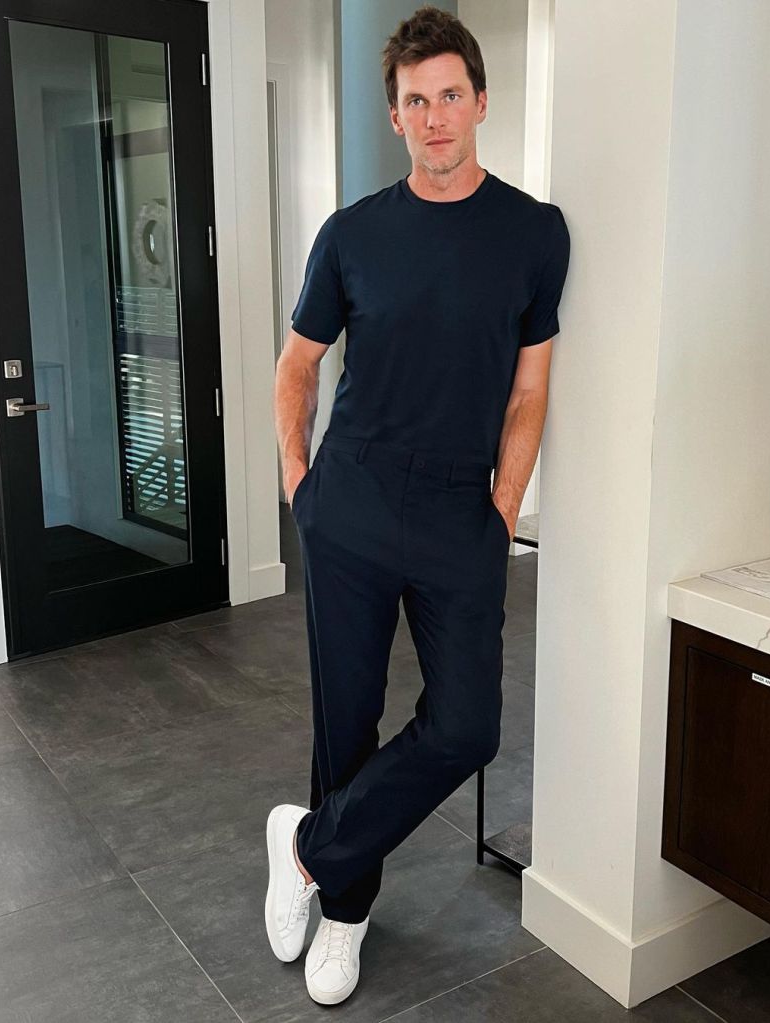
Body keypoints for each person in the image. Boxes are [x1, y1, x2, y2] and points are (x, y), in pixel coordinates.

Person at [267, 4, 570, 1006]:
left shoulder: (533, 235)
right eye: (414, 101)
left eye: (450, 96)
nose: (435, 116)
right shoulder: (351, 235)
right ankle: (345, 918)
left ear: (481, 102)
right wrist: (297, 487)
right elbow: (297, 369)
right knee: (345, 724)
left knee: (467, 726)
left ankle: (305, 846)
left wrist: (504, 506)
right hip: (348, 502)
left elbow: (530, 390)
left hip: (460, 514)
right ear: (395, 119)